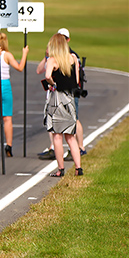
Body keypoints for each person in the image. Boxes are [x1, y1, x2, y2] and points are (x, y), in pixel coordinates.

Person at [35, 28, 87, 160]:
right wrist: (46, 56)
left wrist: (54, 83)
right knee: (67, 131)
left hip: (65, 93)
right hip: (69, 92)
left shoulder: (70, 56)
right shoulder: (65, 57)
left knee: (64, 128)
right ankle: (76, 163)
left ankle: (80, 147)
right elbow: (39, 70)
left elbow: (47, 75)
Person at [0, 32, 29, 157]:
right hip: (4, 86)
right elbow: (19, 67)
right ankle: (8, 145)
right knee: (7, 118)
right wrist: (24, 54)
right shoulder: (7, 55)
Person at [43, 33, 83, 177]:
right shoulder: (73, 59)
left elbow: (47, 76)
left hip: (57, 99)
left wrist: (53, 84)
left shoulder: (53, 60)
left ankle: (61, 169)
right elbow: (77, 79)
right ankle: (78, 168)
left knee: (57, 136)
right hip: (70, 98)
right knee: (70, 137)